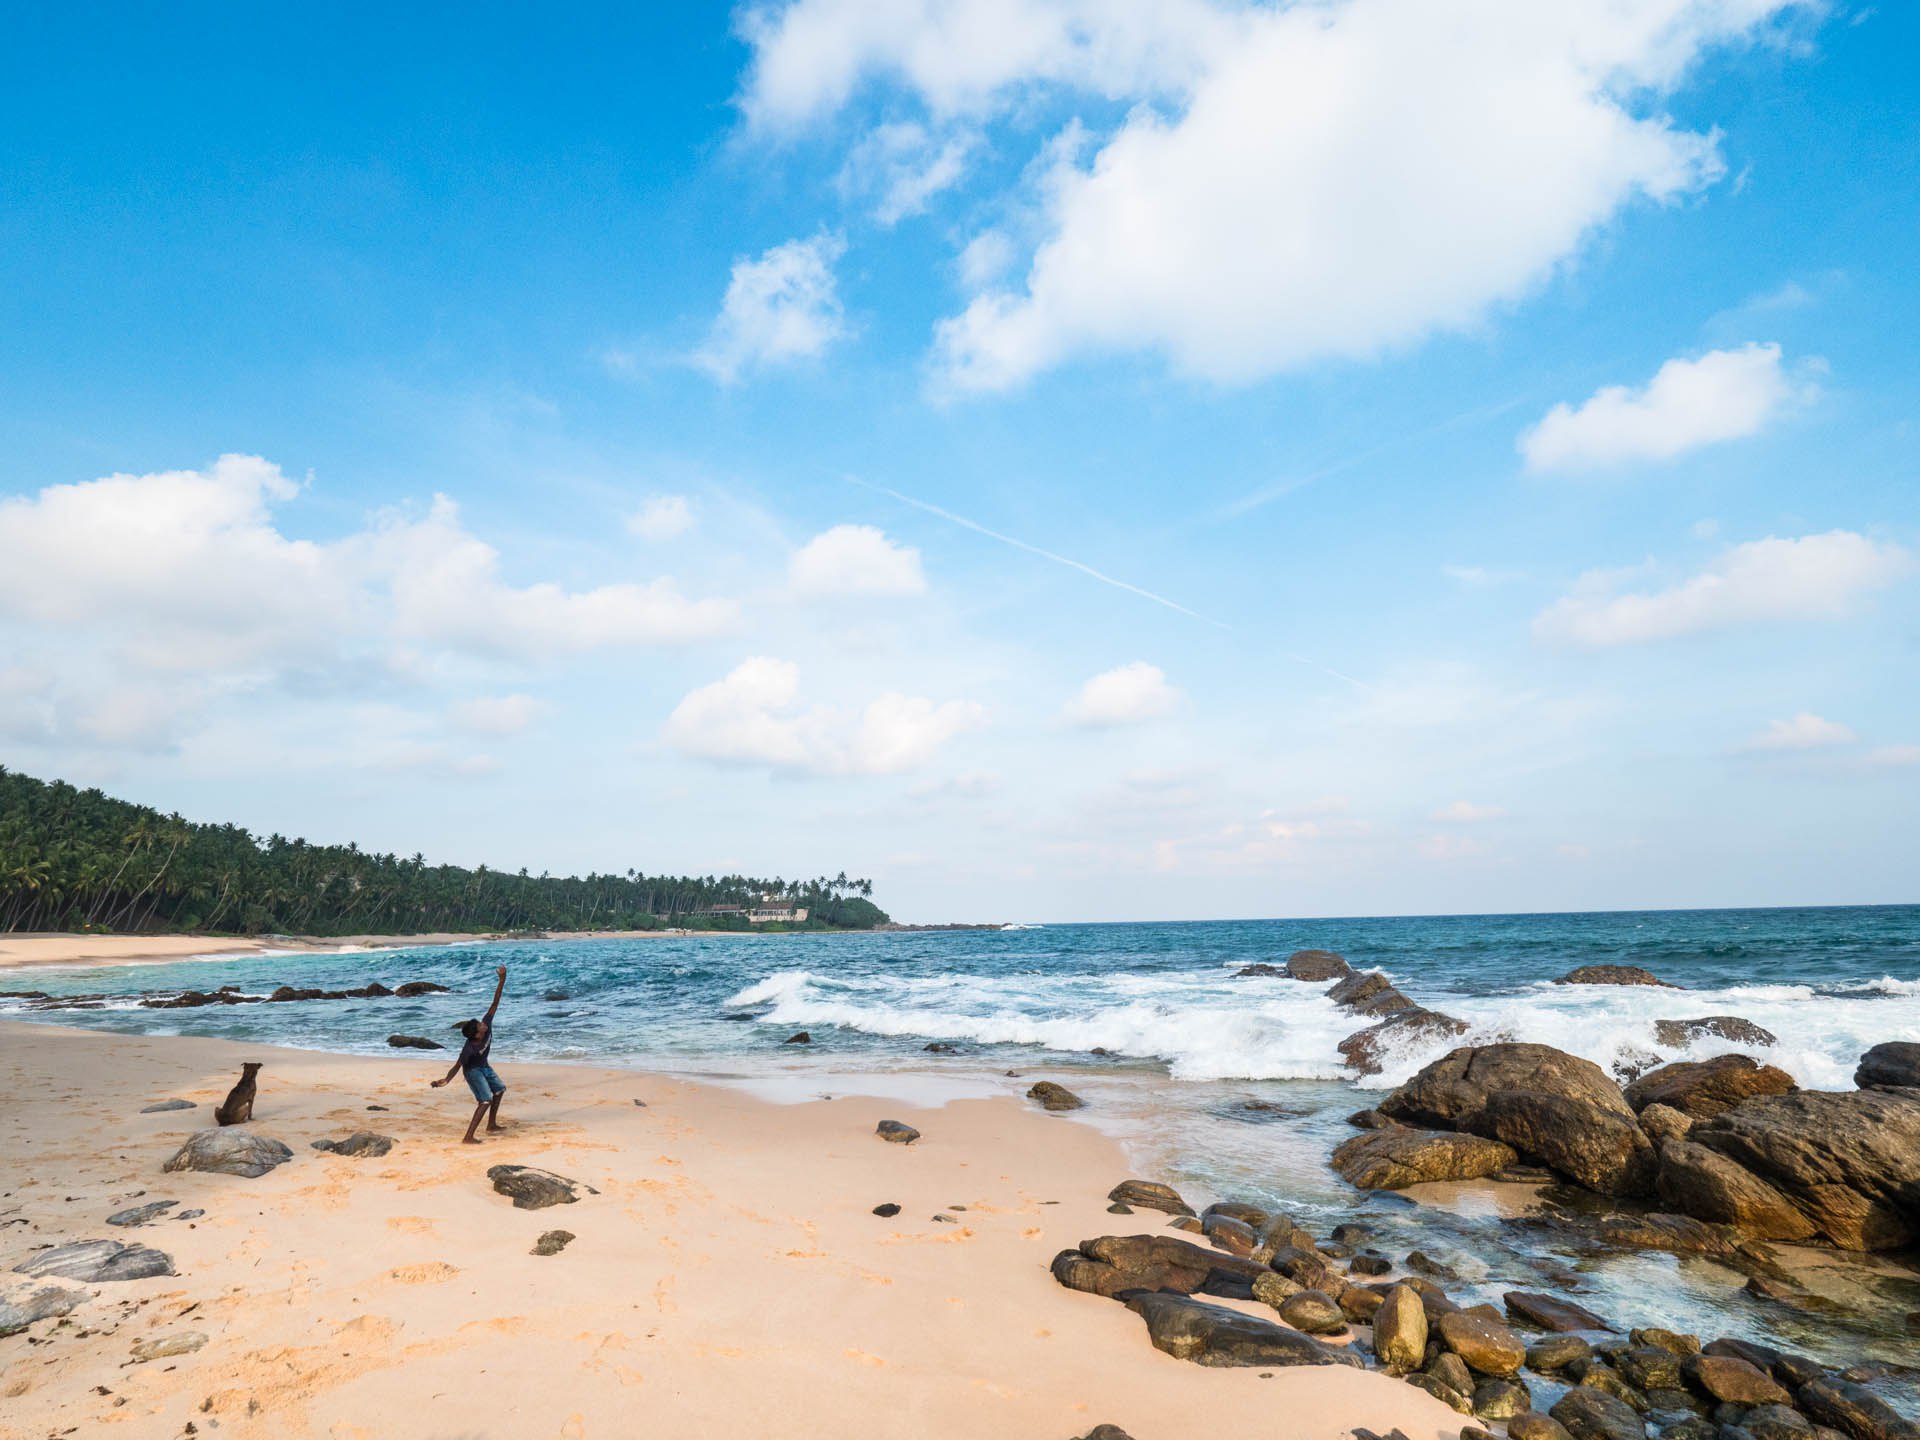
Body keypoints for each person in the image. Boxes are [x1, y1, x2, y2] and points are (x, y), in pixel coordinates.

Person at [432, 964, 508, 1144]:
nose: (483, 1024)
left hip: (484, 1066)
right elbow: (458, 1065)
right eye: (480, 1026)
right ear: (476, 1035)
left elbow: (495, 1003)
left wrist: (502, 980)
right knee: (484, 1100)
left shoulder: (487, 1024)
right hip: (472, 1071)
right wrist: (446, 1080)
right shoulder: (469, 1049)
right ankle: (468, 1137)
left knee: (499, 1090)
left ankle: (491, 1125)